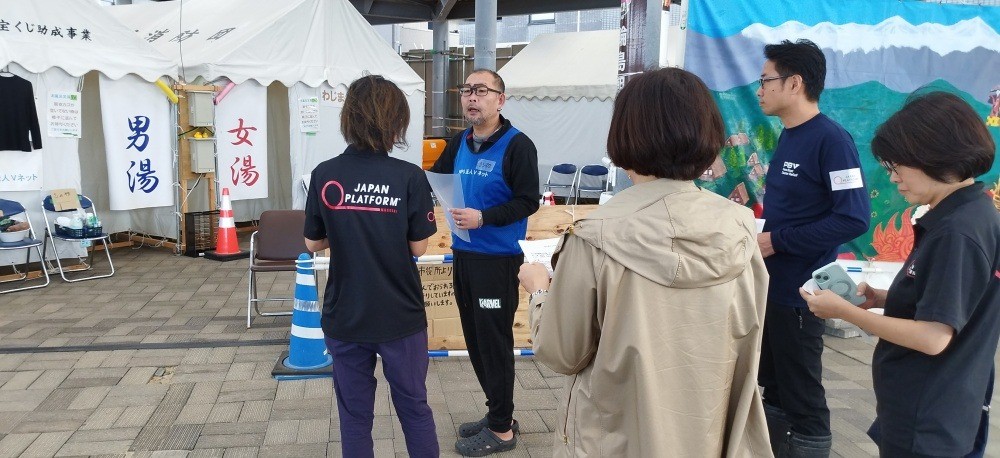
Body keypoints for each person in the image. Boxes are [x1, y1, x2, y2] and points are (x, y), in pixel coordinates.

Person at [517, 67, 772, 457]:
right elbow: (747, 335)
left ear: (625, 132)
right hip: (707, 432)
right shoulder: (739, 227)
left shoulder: (595, 237)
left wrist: (539, 291)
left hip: (618, 438)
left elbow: (563, 353)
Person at [801, 91, 1000, 457]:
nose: (893, 178)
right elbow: (954, 302)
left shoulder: (957, 231)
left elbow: (933, 337)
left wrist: (847, 312)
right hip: (941, 406)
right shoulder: (972, 214)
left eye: (897, 167)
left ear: (933, 156)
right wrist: (881, 299)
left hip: (927, 416)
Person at [303, 75, 439, 458]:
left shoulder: (325, 174)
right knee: (413, 407)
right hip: (400, 314)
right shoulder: (409, 176)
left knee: (355, 415)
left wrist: (346, 223)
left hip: (345, 313)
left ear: (349, 118)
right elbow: (418, 246)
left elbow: (313, 242)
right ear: (396, 121)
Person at [754, 39, 871, 457]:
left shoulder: (832, 141)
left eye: (766, 80)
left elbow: (853, 217)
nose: (760, 88)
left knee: (803, 397)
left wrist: (775, 240)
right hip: (772, 290)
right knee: (773, 385)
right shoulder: (788, 137)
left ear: (795, 82)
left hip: (803, 296)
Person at [430, 68, 539, 456]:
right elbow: (435, 180)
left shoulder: (517, 145)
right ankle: (499, 414)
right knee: (476, 341)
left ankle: (502, 431)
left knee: (494, 342)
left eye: (481, 90)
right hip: (464, 256)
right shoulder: (458, 141)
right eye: (466, 90)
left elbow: (529, 201)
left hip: (498, 261)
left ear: (500, 99)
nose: (471, 97)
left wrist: (484, 217)